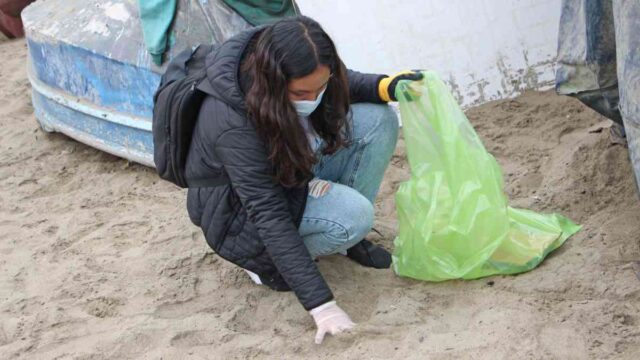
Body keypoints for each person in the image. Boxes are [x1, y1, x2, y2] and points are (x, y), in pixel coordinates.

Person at [185, 16, 423, 344]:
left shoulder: (297, 56)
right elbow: (267, 214)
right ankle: (268, 266)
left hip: (288, 171)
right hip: (240, 216)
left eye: (320, 87)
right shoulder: (231, 121)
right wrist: (322, 306)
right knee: (355, 216)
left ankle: (345, 239)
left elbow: (343, 82)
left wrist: (387, 85)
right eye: (301, 92)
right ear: (272, 80)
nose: (313, 98)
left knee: (378, 118)